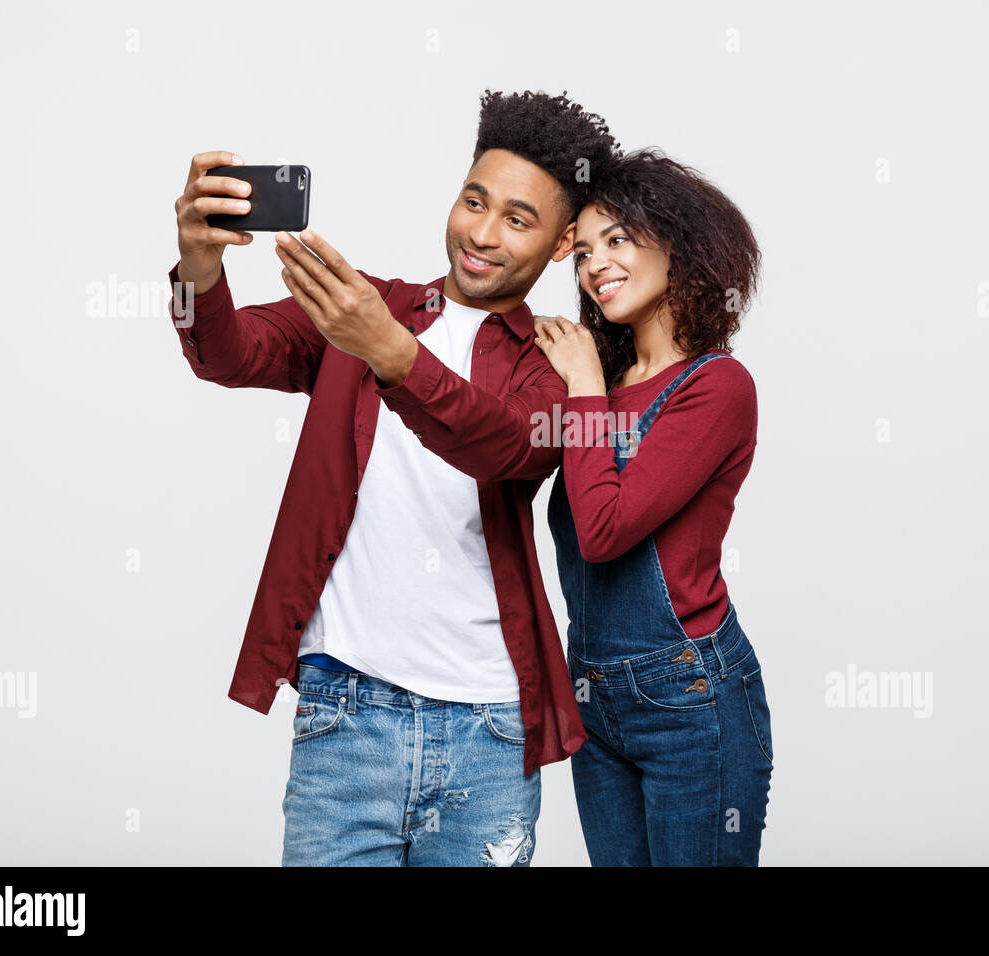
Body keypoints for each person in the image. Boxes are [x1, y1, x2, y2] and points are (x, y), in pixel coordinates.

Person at [166, 90, 622, 866]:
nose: (481, 234)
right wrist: (196, 267)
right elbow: (226, 354)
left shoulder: (560, 362)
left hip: (489, 729)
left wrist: (391, 354)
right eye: (474, 200)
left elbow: (505, 445)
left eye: (517, 219)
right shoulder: (362, 308)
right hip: (346, 715)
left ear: (560, 243)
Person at [533, 148, 772, 866]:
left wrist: (579, 385)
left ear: (679, 246)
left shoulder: (717, 387)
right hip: (592, 693)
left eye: (618, 240)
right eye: (582, 251)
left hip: (690, 698)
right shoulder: (598, 381)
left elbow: (604, 532)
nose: (594, 265)